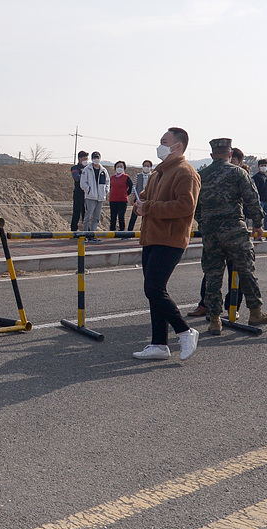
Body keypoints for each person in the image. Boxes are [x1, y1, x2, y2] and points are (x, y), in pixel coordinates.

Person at [131, 127, 200, 360]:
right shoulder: (158, 174)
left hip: (170, 239)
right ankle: (159, 344)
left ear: (177, 146)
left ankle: (185, 331)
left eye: (164, 141)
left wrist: (148, 207)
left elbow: (185, 206)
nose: (159, 146)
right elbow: (147, 200)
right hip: (151, 237)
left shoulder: (186, 172)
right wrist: (139, 204)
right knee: (153, 291)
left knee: (154, 288)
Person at [195, 138, 267, 335]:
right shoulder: (238, 172)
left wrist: (203, 223)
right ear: (230, 154)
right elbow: (252, 199)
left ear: (212, 154)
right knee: (246, 270)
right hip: (234, 229)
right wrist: (258, 224)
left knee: (213, 275)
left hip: (211, 232)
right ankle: (255, 312)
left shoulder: (201, 175)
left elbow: (194, 204)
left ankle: (214, 320)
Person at [79, 150, 110, 242]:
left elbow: (107, 182)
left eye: (97, 157)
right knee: (88, 217)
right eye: (94, 158)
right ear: (92, 159)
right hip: (90, 197)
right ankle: (84, 234)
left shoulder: (104, 170)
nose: (96, 159)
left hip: (100, 198)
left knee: (96, 217)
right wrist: (88, 190)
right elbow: (83, 182)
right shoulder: (87, 169)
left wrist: (105, 191)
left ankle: (92, 235)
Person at [127, 160, 153, 231]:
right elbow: (134, 187)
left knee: (145, 217)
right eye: (145, 165)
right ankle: (129, 232)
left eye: (148, 166)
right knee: (133, 216)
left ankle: (143, 232)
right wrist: (132, 197)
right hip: (138, 198)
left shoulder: (153, 176)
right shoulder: (138, 176)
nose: (146, 167)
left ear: (151, 167)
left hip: (148, 199)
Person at [109, 160, 133, 232]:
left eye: (121, 166)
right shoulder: (112, 177)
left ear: (124, 168)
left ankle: (122, 231)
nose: (119, 168)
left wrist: (126, 193)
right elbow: (109, 186)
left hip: (122, 200)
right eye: (118, 166)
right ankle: (112, 230)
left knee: (121, 216)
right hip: (113, 199)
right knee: (113, 216)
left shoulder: (126, 177)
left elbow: (131, 186)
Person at [70, 150, 89, 233]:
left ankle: (86, 231)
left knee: (86, 213)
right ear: (79, 159)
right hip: (78, 194)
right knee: (76, 213)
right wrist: (86, 176)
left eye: (87, 159)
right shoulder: (75, 168)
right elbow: (77, 178)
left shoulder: (89, 168)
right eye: (84, 159)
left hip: (87, 194)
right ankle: (73, 230)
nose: (86, 161)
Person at [253, 158, 267, 232]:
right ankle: (257, 235)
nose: (263, 167)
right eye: (262, 165)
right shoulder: (256, 177)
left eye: (265, 165)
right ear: (258, 167)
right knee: (258, 219)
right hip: (259, 200)